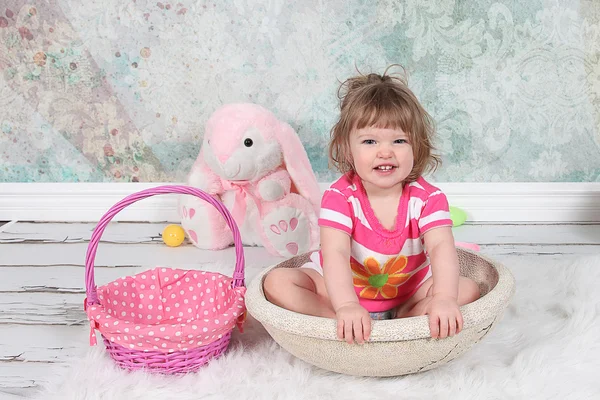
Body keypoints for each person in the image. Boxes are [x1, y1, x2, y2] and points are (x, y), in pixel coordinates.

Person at [263, 66, 480, 345]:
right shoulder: (340, 198)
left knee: (467, 288)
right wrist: (346, 306)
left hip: (407, 293)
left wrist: (444, 299)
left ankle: (403, 322)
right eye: (369, 141)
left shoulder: (428, 199)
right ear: (346, 148)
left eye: (399, 140)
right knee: (277, 282)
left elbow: (441, 248)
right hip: (341, 292)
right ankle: (340, 322)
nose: (385, 151)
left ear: (417, 146)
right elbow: (336, 253)